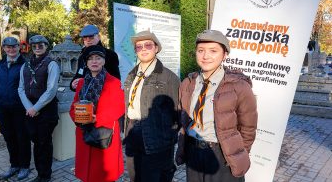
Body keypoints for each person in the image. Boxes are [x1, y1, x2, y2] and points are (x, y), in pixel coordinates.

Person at [177, 30, 258, 182]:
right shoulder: (187, 84)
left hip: (222, 156)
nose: (205, 56)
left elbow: (248, 128)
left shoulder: (239, 86)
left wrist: (236, 154)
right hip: (193, 152)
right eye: (200, 51)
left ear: (225, 54)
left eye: (213, 51)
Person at [123, 30, 180, 182]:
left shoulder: (169, 77)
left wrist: (168, 139)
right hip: (132, 130)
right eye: (138, 46)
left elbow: (177, 114)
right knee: (135, 176)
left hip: (157, 137)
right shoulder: (131, 75)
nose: (143, 49)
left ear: (156, 48)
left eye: (148, 45)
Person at [69, 45, 125, 182]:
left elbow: (119, 108)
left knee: (103, 174)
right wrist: (78, 117)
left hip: (104, 134)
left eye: (98, 58)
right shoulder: (81, 82)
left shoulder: (113, 82)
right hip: (84, 132)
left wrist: (97, 118)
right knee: (87, 174)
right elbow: (73, 107)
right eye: (91, 59)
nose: (94, 62)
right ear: (86, 63)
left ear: (104, 61)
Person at [18, 35, 60, 182]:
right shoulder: (25, 65)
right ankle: (39, 173)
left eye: (40, 45)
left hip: (46, 110)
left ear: (46, 46)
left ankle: (45, 176)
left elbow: (51, 90)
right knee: (36, 142)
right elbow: (21, 88)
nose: (37, 47)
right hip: (30, 110)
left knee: (44, 143)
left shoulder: (52, 64)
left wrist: (36, 107)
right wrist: (29, 107)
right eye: (34, 45)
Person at [0, 37, 31, 180]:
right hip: (3, 107)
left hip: (20, 108)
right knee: (9, 136)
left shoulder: (26, 65)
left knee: (22, 137)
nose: (11, 49)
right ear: (3, 48)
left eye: (14, 46)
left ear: (19, 47)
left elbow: (29, 86)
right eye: (7, 47)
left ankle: (25, 166)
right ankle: (14, 164)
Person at [70, 24, 120, 91]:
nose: (88, 40)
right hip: (84, 97)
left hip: (104, 95)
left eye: (91, 37)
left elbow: (116, 80)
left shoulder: (110, 55)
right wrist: (73, 84)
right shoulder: (82, 56)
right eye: (85, 37)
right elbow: (79, 75)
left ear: (98, 37)